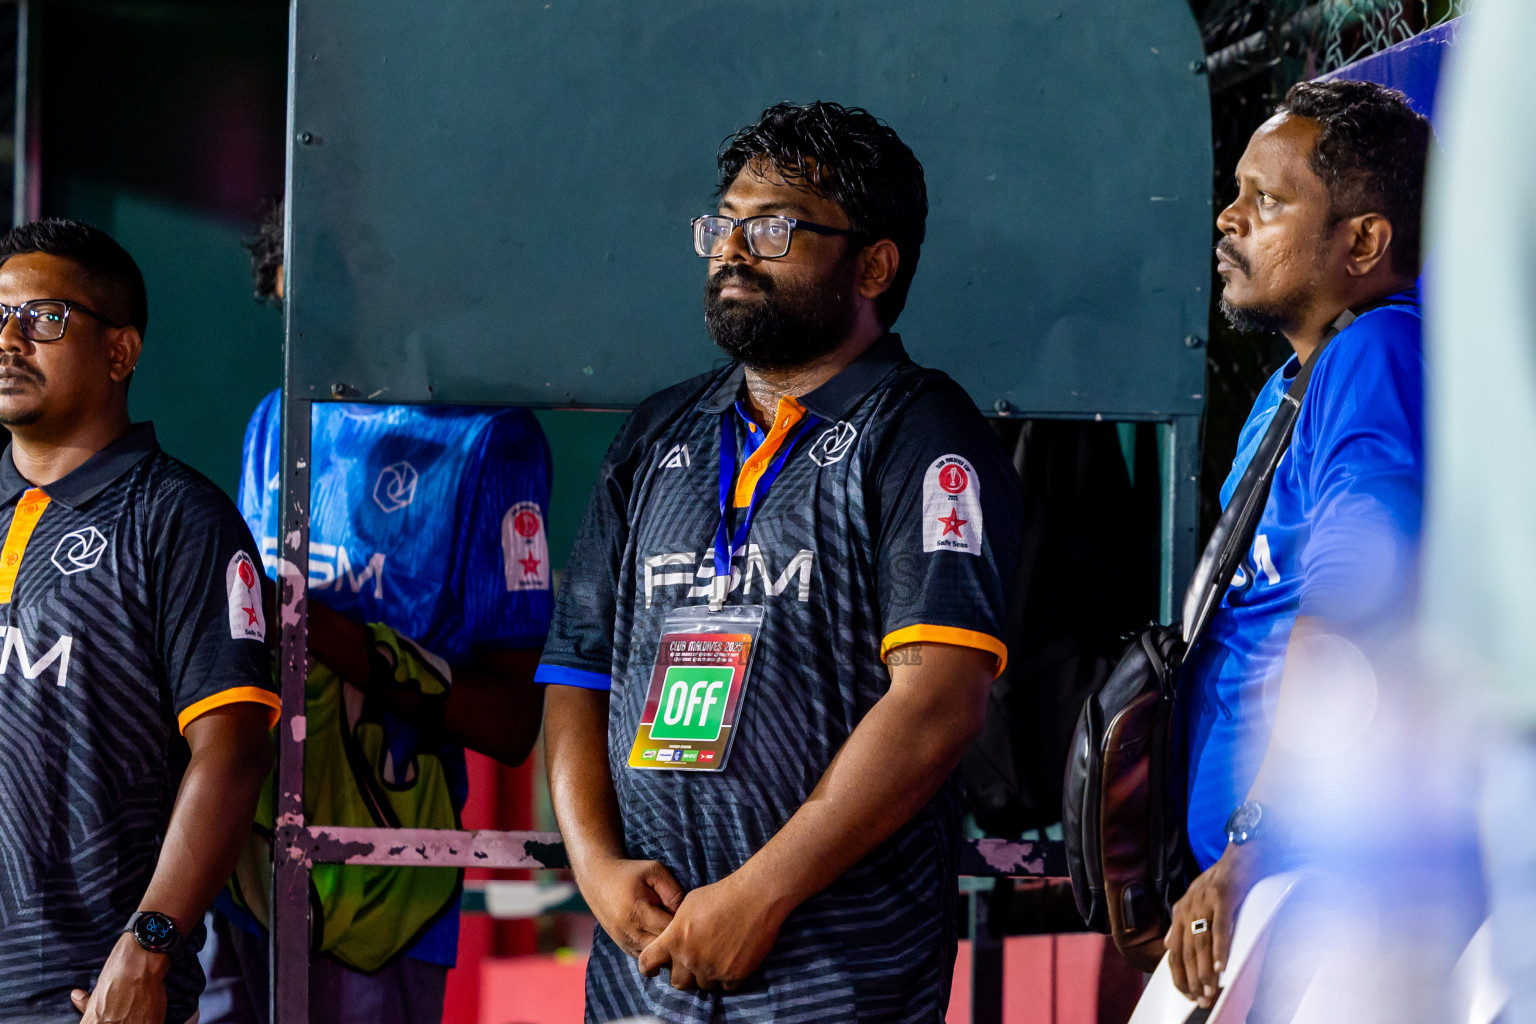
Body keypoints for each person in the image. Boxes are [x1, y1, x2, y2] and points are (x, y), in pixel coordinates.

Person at [537, 100, 1021, 1021]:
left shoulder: (922, 434)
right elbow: (575, 673)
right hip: (642, 978)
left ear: (874, 263)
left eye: (772, 228)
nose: (732, 249)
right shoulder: (656, 433)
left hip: (834, 979)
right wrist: (595, 870)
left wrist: (760, 894)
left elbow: (937, 702)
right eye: (721, 225)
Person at [197, 199, 554, 1024]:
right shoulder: (275, 418)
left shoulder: (489, 439)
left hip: (381, 888)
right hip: (239, 868)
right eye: (295, 292)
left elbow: (510, 720)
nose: (310, 320)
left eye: (341, 277)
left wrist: (324, 634)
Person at [1165, 81, 1433, 1008]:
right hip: (1271, 889)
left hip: (1330, 897)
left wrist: (1254, 839)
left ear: (1362, 242)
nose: (1229, 219)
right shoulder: (1294, 384)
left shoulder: (1377, 357)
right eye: (1236, 192)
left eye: (1268, 200)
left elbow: (1353, 612)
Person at [0, 218, 278, 1023]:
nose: (11, 338)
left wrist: (150, 945)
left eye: (44, 318)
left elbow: (233, 755)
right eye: (0, 318)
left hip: (95, 998)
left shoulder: (178, 519)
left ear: (119, 352)